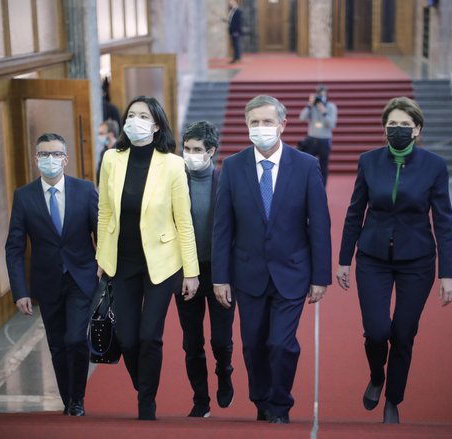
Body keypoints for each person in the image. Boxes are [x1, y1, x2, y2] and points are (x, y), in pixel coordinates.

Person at [336, 96, 452, 424]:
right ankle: (377, 376)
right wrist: (344, 259)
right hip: (373, 256)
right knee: (376, 331)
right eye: (393, 125)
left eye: (405, 125)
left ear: (417, 129)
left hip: (417, 259)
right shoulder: (369, 161)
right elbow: (354, 212)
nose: (398, 130)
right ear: (384, 129)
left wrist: (448, 273)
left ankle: (393, 398)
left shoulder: (434, 166)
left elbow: (443, 221)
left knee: (403, 333)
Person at [212, 95, 332, 424]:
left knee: (281, 344)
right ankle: (261, 401)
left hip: (291, 272)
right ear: (246, 125)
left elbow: (319, 224)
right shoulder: (233, 167)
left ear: (282, 124)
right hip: (248, 273)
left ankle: (281, 404)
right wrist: (220, 276)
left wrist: (320, 276)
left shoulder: (305, 165)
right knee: (252, 346)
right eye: (254, 122)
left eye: (267, 122)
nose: (261, 128)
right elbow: (223, 227)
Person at [96, 95, 200, 421]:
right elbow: (104, 212)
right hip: (121, 262)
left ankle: (146, 404)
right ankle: (143, 386)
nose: (135, 119)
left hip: (162, 263)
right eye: (131, 114)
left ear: (156, 125)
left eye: (143, 115)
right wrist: (101, 255)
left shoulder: (172, 164)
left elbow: (184, 220)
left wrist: (191, 271)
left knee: (149, 336)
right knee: (127, 338)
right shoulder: (112, 159)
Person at [5, 133, 99, 417]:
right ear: (36, 160)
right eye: (44, 155)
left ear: (65, 159)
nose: (50, 159)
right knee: (57, 345)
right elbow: (14, 246)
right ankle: (68, 400)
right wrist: (20, 290)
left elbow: (102, 231)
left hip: (80, 278)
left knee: (75, 339)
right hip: (47, 282)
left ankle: (79, 399)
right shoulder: (24, 196)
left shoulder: (85, 190)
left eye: (55, 154)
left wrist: (103, 264)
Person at [176, 121, 235, 418]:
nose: (190, 154)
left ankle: (225, 371)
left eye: (196, 149)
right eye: (186, 148)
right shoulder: (175, 181)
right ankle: (201, 400)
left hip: (220, 273)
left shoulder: (226, 181)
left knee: (221, 340)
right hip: (186, 272)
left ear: (211, 151)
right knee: (192, 342)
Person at [298, 85, 338, 187]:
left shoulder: (331, 107)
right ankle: (306, 188)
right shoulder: (312, 107)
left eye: (323, 95)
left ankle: (322, 190)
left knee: (323, 168)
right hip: (311, 140)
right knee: (307, 166)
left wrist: (324, 112)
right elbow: (302, 118)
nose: (321, 97)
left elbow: (331, 124)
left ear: (327, 96)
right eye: (319, 95)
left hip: (324, 141)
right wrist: (309, 105)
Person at [96, 119, 120, 185]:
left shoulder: (120, 150)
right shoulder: (103, 152)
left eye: (101, 133)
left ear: (111, 134)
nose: (99, 137)